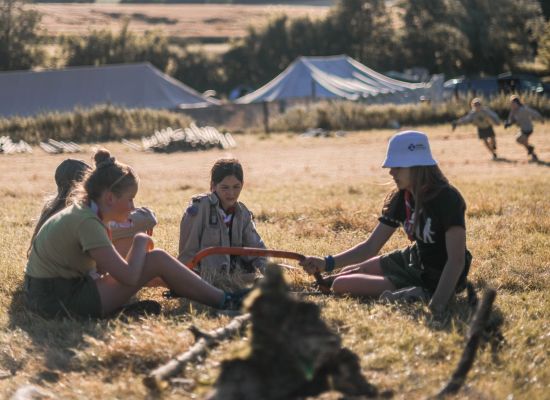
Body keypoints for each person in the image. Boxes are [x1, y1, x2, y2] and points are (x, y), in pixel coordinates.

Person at [24, 149, 243, 319]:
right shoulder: (88, 222)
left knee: (154, 259)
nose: (132, 206)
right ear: (110, 198)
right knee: (155, 259)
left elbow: (101, 269)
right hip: (58, 301)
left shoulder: (87, 214)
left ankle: (222, 298)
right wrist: (140, 242)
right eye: (129, 199)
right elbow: (128, 276)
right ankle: (226, 301)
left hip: (52, 294)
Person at [300, 131, 471, 315]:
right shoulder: (402, 197)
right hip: (413, 258)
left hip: (435, 274)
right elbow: (370, 247)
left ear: (416, 166)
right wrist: (326, 264)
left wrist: (436, 305)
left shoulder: (448, 199)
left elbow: (456, 260)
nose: (390, 172)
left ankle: (422, 293)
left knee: (341, 285)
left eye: (397, 166)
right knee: (353, 270)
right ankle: (404, 289)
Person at [27, 158, 158, 259]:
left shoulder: (52, 209)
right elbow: (143, 220)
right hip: (72, 281)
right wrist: (143, 216)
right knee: (133, 241)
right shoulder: (81, 214)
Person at [178, 158, 267, 287]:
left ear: (242, 184)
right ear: (213, 186)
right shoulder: (199, 208)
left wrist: (269, 274)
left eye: (236, 187)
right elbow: (187, 253)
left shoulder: (242, 213)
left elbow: (257, 251)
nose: (231, 193)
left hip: (235, 278)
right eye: (225, 187)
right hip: (205, 281)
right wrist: (190, 284)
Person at [504, 95, 544, 162]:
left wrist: (541, 119)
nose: (512, 105)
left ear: (518, 103)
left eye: (513, 104)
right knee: (523, 142)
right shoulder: (513, 111)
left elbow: (534, 113)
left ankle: (530, 149)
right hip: (522, 129)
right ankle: (532, 153)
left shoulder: (524, 109)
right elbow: (511, 120)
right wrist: (508, 124)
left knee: (519, 139)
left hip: (528, 128)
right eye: (511, 104)